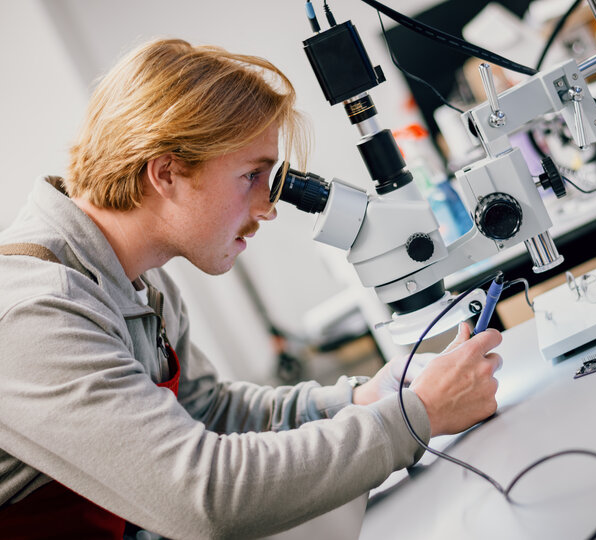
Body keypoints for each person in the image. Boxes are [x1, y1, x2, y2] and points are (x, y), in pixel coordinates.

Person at [0, 38, 502, 539]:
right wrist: (416, 418)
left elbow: (210, 413)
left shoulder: (138, 282)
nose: (267, 207)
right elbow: (203, 496)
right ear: (167, 172)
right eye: (251, 175)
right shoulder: (35, 312)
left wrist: (365, 398)